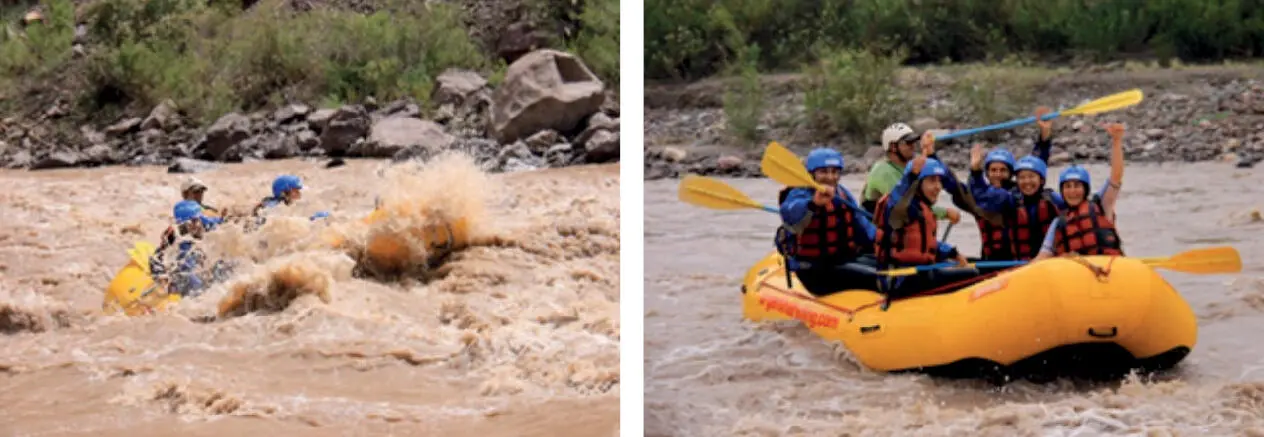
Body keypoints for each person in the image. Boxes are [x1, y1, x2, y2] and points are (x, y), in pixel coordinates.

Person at [776, 148, 880, 296]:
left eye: (835, 172)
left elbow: (863, 228)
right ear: (812, 174)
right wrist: (813, 204)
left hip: (843, 260)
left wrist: (888, 240)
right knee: (879, 278)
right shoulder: (799, 194)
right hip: (814, 270)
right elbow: (792, 220)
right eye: (823, 172)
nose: (830, 177)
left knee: (890, 267)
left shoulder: (842, 194)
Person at [1034, 123, 1127, 260]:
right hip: (1078, 275)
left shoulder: (1101, 205)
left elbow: (1116, 176)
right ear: (1062, 191)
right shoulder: (1058, 223)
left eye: (1077, 186)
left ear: (1085, 189)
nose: (1072, 191)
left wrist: (1117, 141)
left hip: (1107, 270)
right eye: (1068, 186)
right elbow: (1042, 257)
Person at [862, 122, 961, 224]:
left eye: (913, 142)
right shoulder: (882, 170)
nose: (913, 146)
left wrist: (930, 153)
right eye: (908, 143)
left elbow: (941, 178)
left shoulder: (909, 168)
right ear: (893, 147)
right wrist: (945, 213)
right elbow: (906, 205)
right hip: (879, 233)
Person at [150, 201, 231, 298]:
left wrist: (224, 219)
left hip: (204, 272)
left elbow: (219, 223)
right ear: (187, 225)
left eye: (199, 219)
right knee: (191, 279)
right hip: (192, 284)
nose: (200, 223)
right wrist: (163, 246)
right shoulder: (181, 244)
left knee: (227, 265)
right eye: (195, 221)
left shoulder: (201, 223)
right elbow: (156, 260)